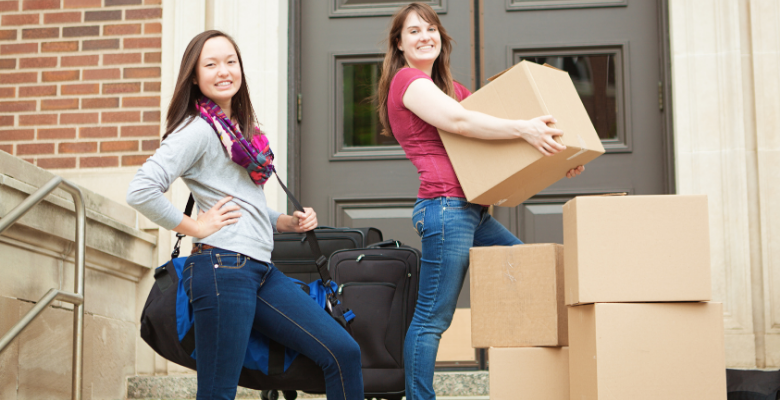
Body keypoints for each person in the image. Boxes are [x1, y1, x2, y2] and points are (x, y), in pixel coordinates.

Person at [127, 30, 363, 400]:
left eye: (230, 61)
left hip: (258, 269)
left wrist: (286, 222)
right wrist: (196, 226)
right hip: (221, 269)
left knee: (342, 352)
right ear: (194, 75)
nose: (223, 71)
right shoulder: (198, 130)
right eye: (211, 64)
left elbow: (242, 202)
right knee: (219, 392)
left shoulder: (239, 134)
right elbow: (141, 189)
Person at [376, 4, 584, 399]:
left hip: (471, 210)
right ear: (399, 44)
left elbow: (497, 144)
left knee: (526, 271)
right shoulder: (408, 82)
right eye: (414, 31)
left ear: (441, 36)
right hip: (444, 208)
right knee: (433, 318)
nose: (425, 37)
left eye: (431, 29)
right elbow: (460, 123)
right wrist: (524, 129)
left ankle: (533, 380)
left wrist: (560, 156)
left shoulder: (455, 92)